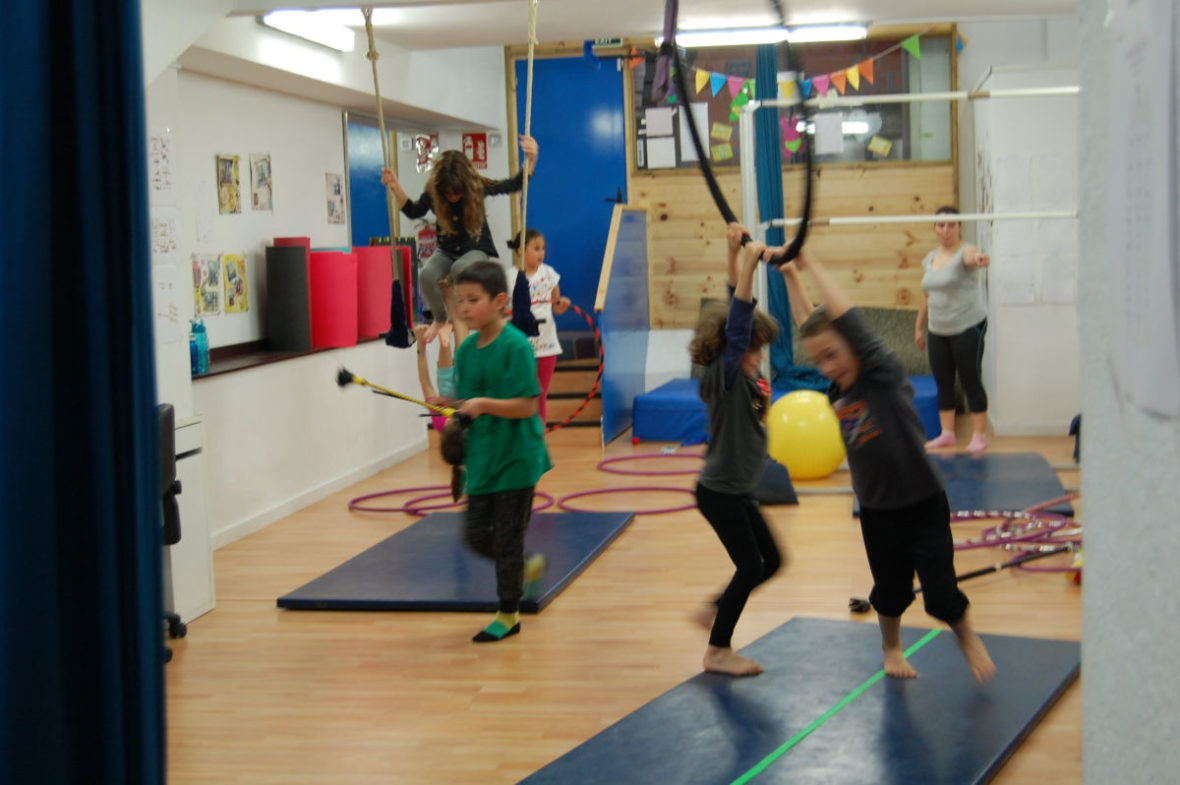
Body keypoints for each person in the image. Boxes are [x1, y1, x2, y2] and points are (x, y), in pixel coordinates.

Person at [781, 248, 995, 682]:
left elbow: (846, 322)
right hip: (877, 511)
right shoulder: (837, 386)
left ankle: (967, 636)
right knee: (890, 591)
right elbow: (811, 325)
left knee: (940, 593)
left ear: (858, 348)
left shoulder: (880, 373)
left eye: (833, 355)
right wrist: (789, 274)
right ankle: (891, 649)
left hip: (922, 502)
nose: (827, 366)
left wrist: (812, 262)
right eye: (819, 359)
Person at [687, 224, 784, 677]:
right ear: (734, 348)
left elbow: (735, 310)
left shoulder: (740, 377)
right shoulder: (724, 381)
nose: (758, 357)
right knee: (750, 566)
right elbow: (738, 319)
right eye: (753, 350)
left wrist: (733, 255)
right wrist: (748, 262)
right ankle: (717, 649)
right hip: (721, 491)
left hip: (737, 490)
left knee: (772, 562)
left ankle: (717, 607)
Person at [451, 260, 552, 642]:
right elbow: (468, 402)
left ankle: (508, 613)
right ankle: (526, 565)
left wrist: (481, 404)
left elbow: (526, 406)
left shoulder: (516, 346)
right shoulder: (465, 352)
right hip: (482, 460)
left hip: (516, 460)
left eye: (472, 300)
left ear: (499, 302)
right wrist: (453, 405)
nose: (464, 309)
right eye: (460, 301)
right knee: (477, 536)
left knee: (507, 539)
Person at [381, 135, 539, 343]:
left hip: (476, 248)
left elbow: (513, 185)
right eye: (448, 194)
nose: (453, 197)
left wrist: (531, 160)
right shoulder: (434, 194)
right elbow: (412, 210)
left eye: (457, 193)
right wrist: (394, 186)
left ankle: (462, 317)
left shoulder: (477, 187)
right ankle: (441, 318)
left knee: (458, 270)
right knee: (426, 276)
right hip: (446, 251)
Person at [914, 206, 991, 453]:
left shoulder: (966, 251)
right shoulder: (930, 258)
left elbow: (972, 257)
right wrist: (919, 328)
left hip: (967, 327)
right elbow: (925, 295)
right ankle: (947, 433)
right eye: (940, 225)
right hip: (938, 330)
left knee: (971, 380)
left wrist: (978, 259)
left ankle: (979, 435)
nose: (945, 230)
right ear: (935, 229)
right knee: (943, 382)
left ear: (959, 227)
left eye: (951, 225)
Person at [507, 228, 570, 426]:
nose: (541, 253)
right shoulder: (509, 277)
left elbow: (556, 306)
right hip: (521, 344)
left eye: (543, 248)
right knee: (522, 394)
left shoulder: (550, 274)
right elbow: (501, 310)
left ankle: (538, 438)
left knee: (540, 394)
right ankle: (521, 436)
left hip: (546, 344)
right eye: (536, 248)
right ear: (520, 250)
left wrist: (562, 305)